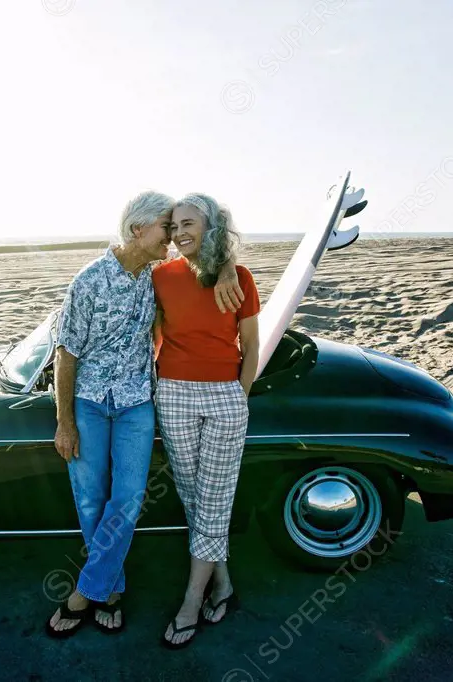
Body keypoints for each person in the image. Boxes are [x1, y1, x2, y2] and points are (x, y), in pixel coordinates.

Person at [46, 191, 244, 638]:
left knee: (130, 500)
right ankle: (111, 590)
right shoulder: (89, 280)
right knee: (92, 499)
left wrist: (228, 265)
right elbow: (66, 353)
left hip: (137, 403)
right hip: (90, 404)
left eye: (176, 229)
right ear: (139, 229)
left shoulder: (155, 276)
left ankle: (85, 593)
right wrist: (65, 421)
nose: (172, 238)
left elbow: (207, 261)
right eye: (165, 228)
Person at [152, 193, 260, 649]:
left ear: (212, 225)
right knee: (196, 499)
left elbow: (252, 347)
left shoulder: (239, 278)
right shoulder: (160, 276)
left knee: (213, 500)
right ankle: (224, 585)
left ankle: (190, 602)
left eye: (189, 223)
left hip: (225, 399)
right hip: (172, 394)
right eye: (174, 225)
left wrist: (240, 394)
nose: (179, 232)